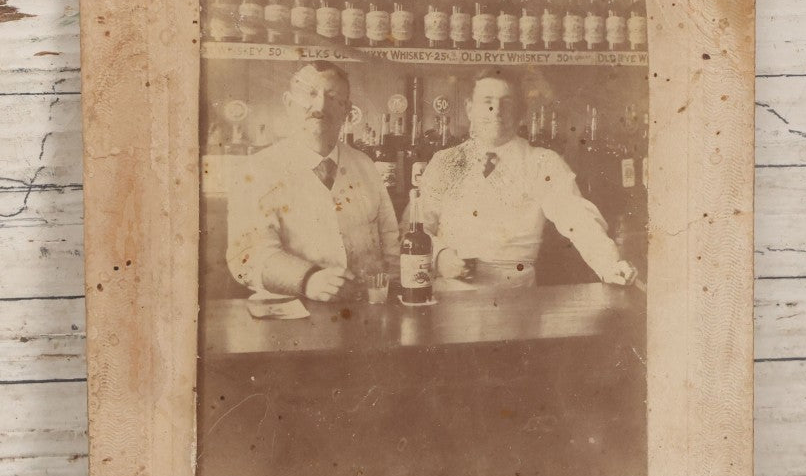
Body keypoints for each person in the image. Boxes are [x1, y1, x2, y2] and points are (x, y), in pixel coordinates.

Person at [417, 70, 637, 290]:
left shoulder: (542, 162)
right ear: (469, 109)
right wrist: (439, 256)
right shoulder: (445, 162)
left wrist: (610, 264)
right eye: (487, 102)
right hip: (450, 297)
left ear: (520, 112)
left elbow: (577, 218)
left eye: (507, 103)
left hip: (516, 300)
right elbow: (415, 227)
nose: (496, 111)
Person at [226, 61, 399, 302]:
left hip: (363, 309)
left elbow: (391, 243)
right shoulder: (256, 170)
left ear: (346, 111)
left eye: (333, 97)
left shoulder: (365, 166)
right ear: (288, 103)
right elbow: (247, 256)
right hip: (290, 311)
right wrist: (308, 280)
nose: (320, 106)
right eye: (310, 94)